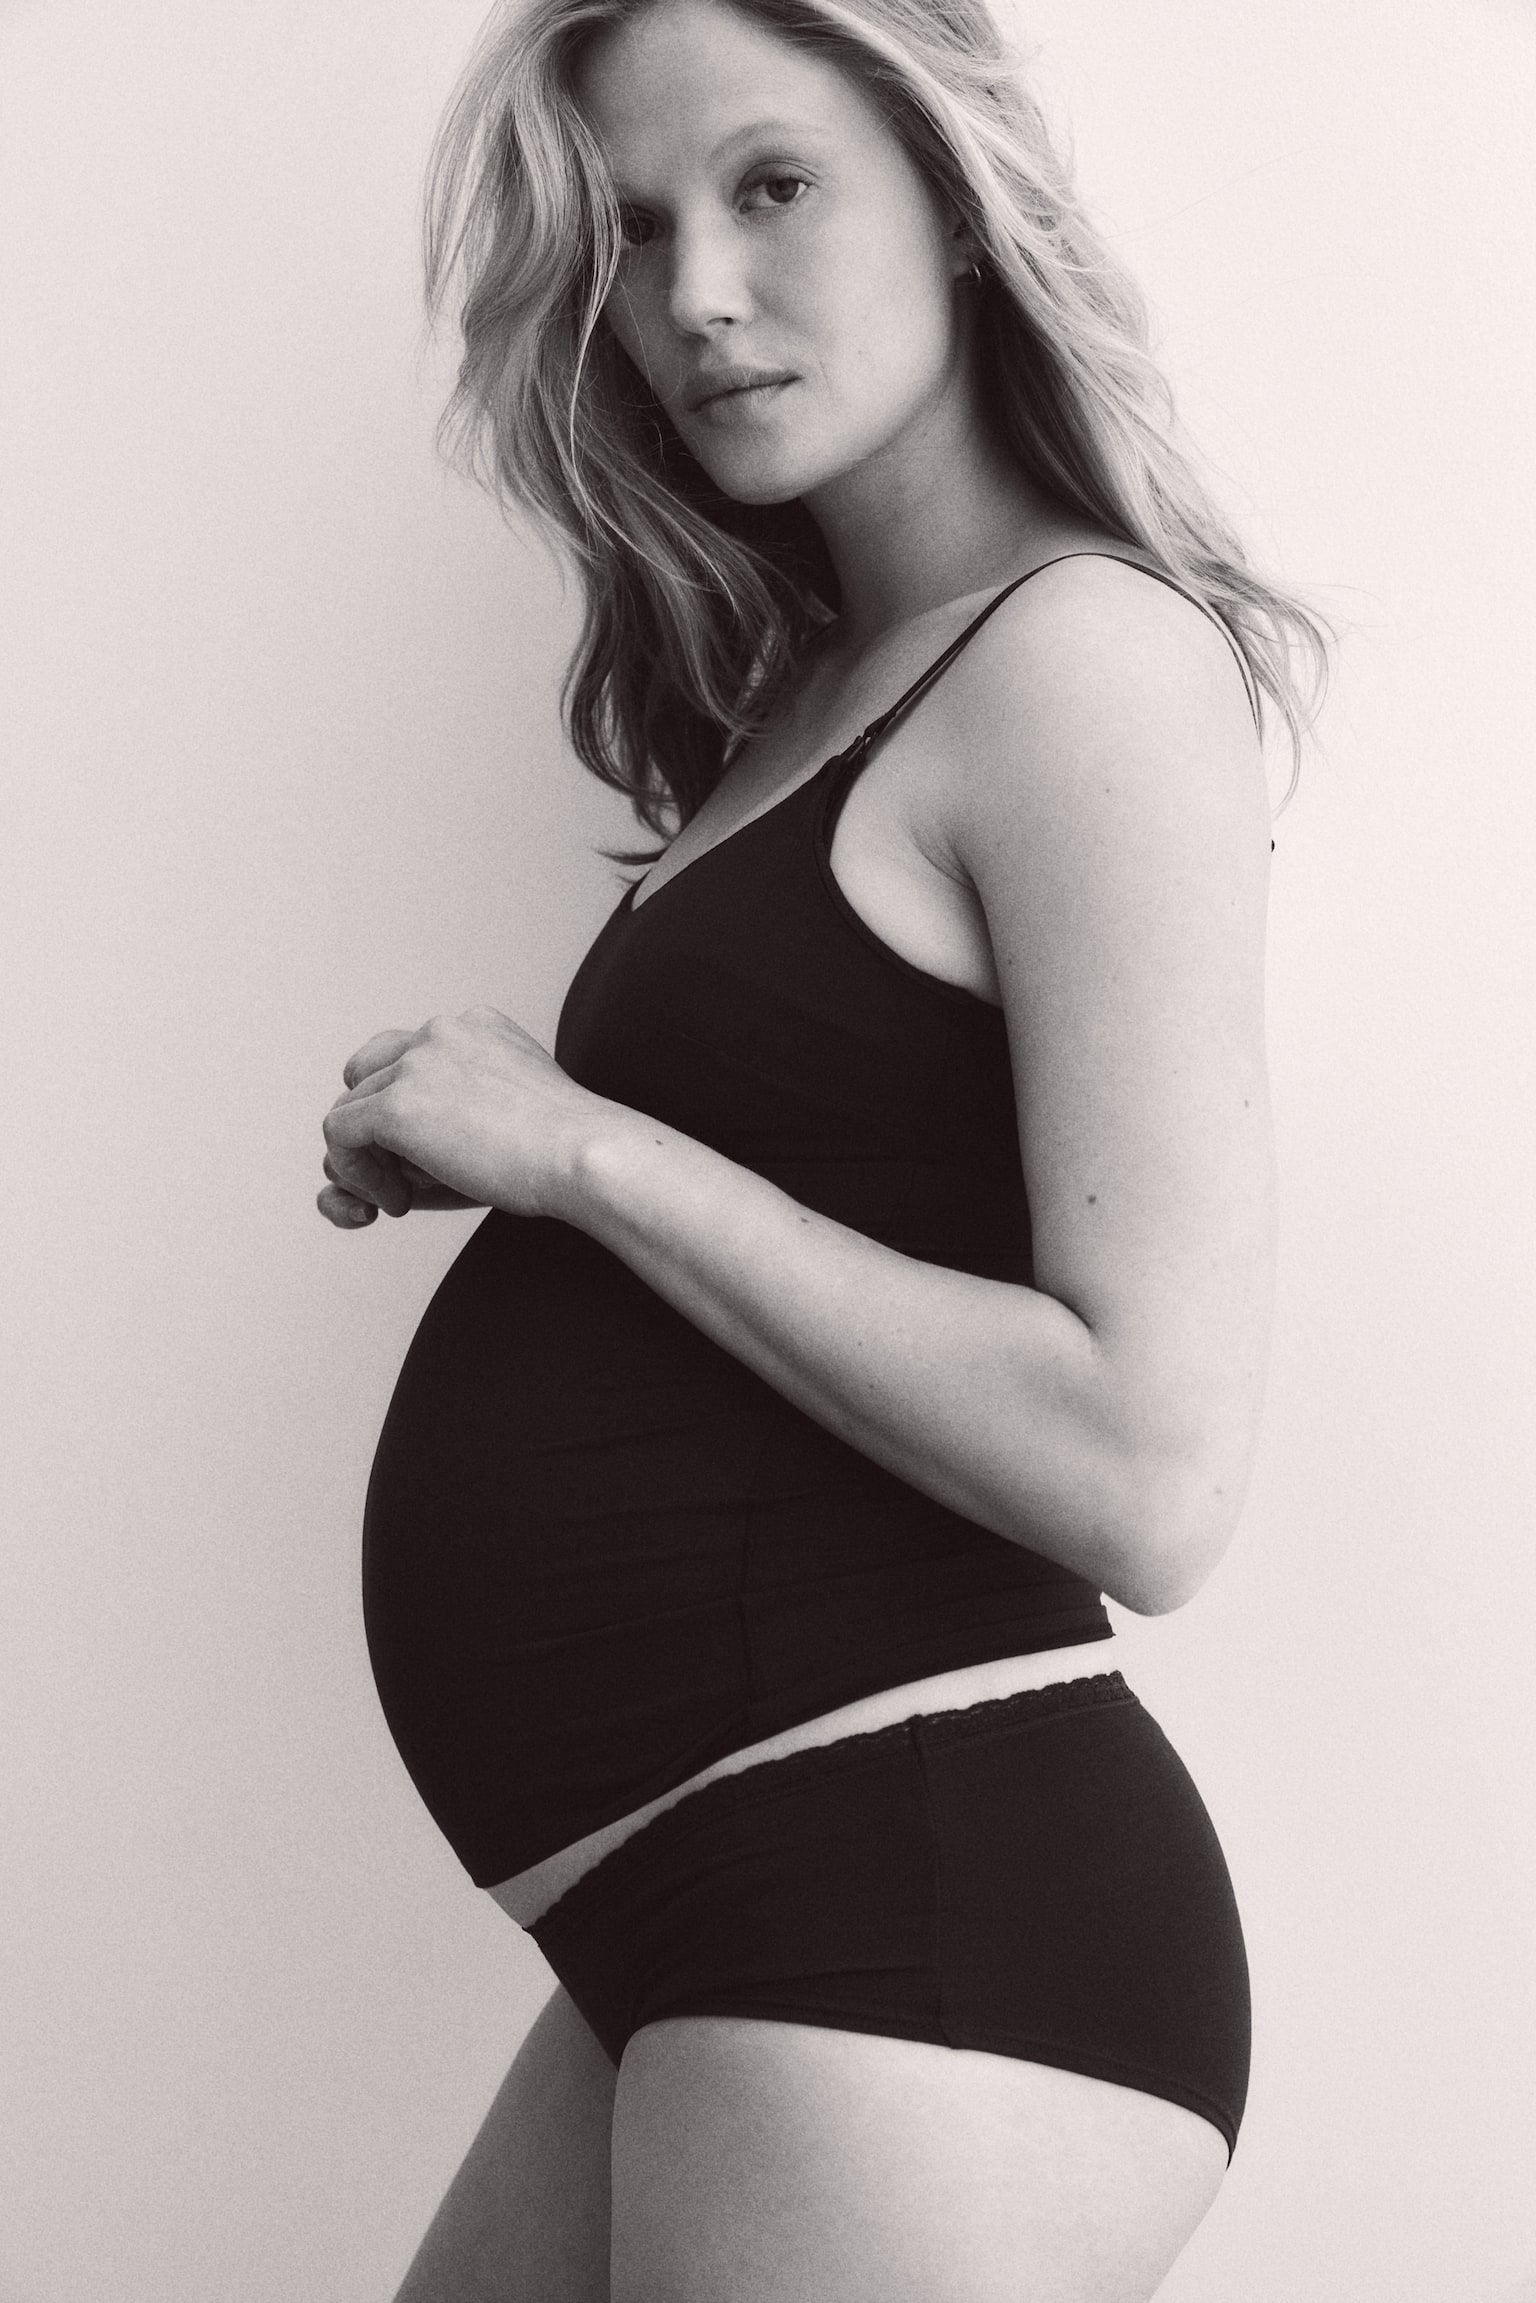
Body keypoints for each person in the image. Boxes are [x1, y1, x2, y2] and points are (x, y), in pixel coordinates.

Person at [318, 0, 1331, 2294]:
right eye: (632, 229)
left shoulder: (1085, 664)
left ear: (957, 201)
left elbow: (1151, 1470)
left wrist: (587, 1156)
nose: (693, 294)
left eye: (772, 185)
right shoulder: (814, 693)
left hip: (909, 1896)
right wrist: (535, 1165)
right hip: (735, 1903)